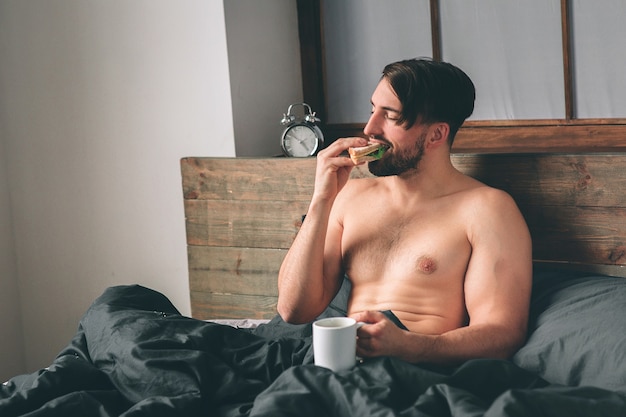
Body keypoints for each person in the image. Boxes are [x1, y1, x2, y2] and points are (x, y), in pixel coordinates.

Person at [277, 58, 532, 365]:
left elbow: (503, 333)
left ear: (436, 135)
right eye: (373, 110)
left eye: (391, 117)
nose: (370, 129)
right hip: (340, 365)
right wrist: (321, 199)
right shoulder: (349, 197)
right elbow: (293, 309)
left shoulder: (486, 209)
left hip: (414, 370)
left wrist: (408, 345)